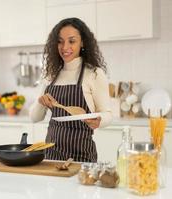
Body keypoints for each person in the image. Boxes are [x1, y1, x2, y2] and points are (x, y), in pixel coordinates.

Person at [29, 18, 112, 162]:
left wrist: (99, 121)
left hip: (81, 157)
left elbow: (108, 114)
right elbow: (34, 118)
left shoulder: (94, 73)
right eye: (60, 41)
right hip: (51, 156)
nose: (64, 47)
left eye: (71, 41)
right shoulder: (51, 74)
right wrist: (41, 102)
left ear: (82, 42)